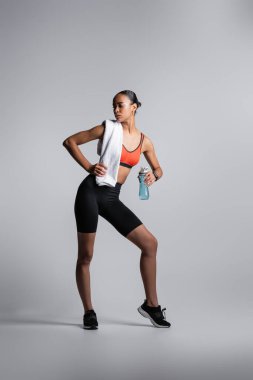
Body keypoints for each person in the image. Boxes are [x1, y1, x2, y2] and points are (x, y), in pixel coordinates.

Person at [62, 90, 171, 329]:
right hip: (90, 193)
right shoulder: (107, 128)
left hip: (111, 197)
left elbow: (159, 169)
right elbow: (70, 141)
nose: (116, 110)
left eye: (120, 106)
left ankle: (151, 305)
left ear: (134, 107)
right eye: (114, 106)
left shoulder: (145, 141)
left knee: (150, 244)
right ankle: (89, 311)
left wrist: (155, 175)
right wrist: (89, 166)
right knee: (86, 256)